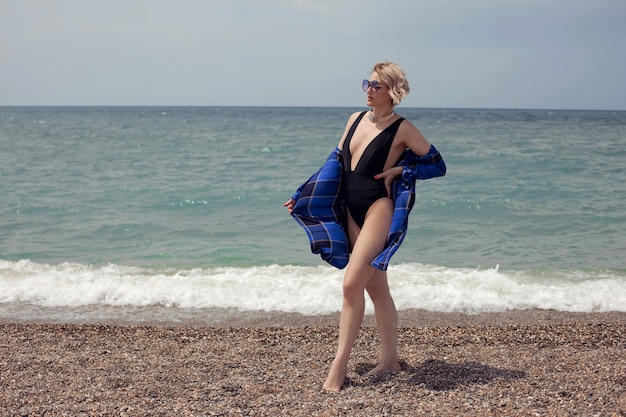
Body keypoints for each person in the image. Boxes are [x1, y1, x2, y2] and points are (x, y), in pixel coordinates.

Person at [284, 62, 446, 392]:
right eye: (367, 84)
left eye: (376, 86)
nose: (369, 90)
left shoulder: (402, 129)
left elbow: (436, 163)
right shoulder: (355, 120)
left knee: (350, 284)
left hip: (377, 208)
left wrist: (401, 172)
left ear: (392, 92)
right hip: (350, 210)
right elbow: (335, 161)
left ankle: (339, 366)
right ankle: (390, 360)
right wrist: (304, 193)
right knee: (376, 289)